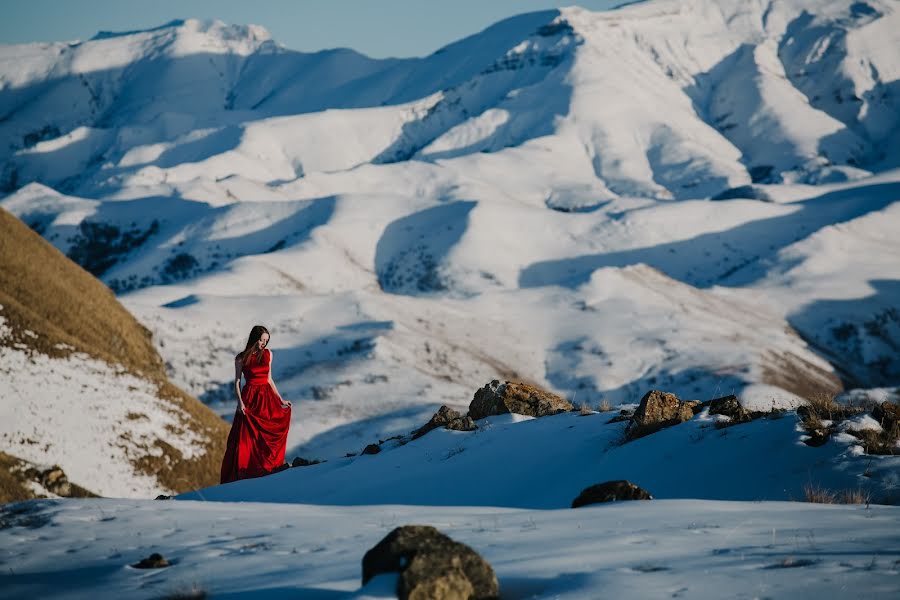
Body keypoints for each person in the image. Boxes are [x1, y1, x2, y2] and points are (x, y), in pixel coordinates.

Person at [220, 325, 292, 484]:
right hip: (250, 399)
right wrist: (240, 402)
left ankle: (266, 470)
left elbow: (269, 379)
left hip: (267, 399)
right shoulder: (241, 358)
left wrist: (280, 399)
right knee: (246, 439)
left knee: (266, 436)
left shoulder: (268, 354)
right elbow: (237, 381)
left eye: (266, 341)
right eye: (261, 340)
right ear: (254, 339)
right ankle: (246, 473)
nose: (264, 344)